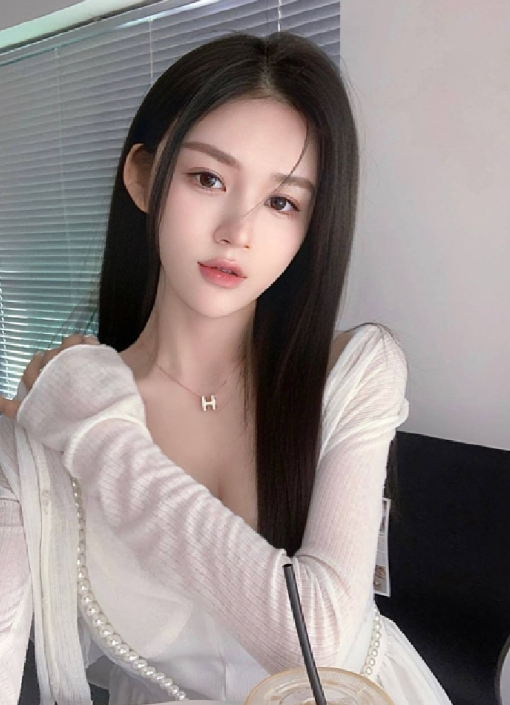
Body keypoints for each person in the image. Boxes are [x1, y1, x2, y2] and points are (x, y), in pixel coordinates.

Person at [0, 31, 451, 705]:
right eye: (207, 178)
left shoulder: (354, 371)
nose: (238, 230)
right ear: (144, 178)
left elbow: (317, 644)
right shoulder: (43, 426)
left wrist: (103, 437)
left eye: (282, 201)